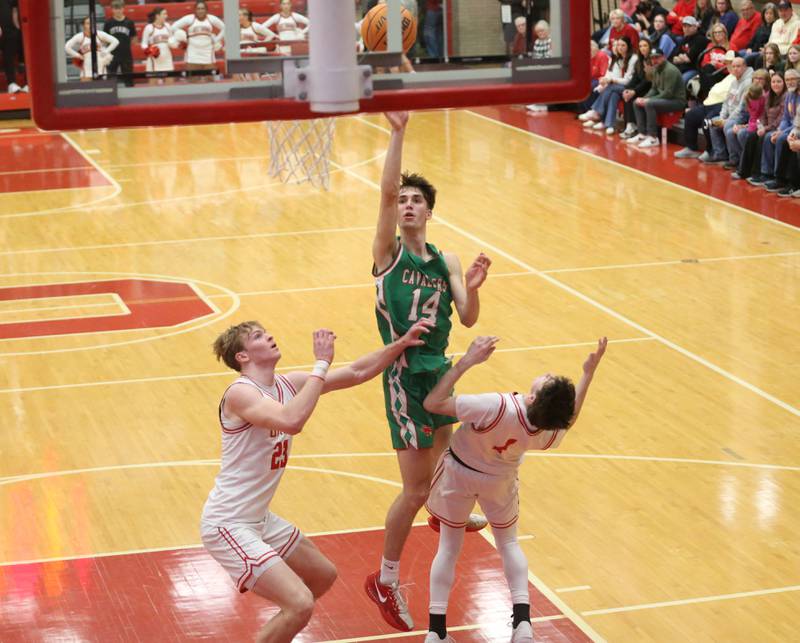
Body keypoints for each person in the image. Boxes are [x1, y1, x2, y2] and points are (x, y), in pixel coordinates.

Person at [201, 317, 434, 642]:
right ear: (242, 356)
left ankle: (275, 631)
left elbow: (356, 372)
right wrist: (321, 363)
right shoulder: (240, 393)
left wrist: (401, 344)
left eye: (266, 330)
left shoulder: (284, 384)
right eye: (257, 336)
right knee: (300, 604)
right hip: (228, 523)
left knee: (322, 576)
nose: (269, 335)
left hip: (258, 519)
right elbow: (291, 420)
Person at [364, 111, 492, 633]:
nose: (408, 205)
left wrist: (477, 284)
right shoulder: (387, 253)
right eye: (404, 200)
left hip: (440, 367)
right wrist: (397, 134)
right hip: (404, 374)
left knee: (452, 454)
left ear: (430, 212)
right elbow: (386, 192)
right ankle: (385, 578)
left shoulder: (448, 260)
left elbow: (467, 316)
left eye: (418, 201)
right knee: (415, 489)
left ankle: (443, 508)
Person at [421, 335, 608, 643]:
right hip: (499, 482)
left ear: (533, 398)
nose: (546, 375)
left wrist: (467, 361)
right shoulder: (547, 433)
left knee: (449, 547)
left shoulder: (495, 406)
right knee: (508, 544)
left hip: (458, 474)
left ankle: (436, 632)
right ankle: (522, 624)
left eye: (546, 381)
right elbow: (568, 420)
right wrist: (588, 373)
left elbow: (433, 404)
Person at [626, 48, 686, 148]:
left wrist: (649, 100)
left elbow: (668, 93)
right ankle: (642, 134)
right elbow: (654, 89)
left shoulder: (670, 70)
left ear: (663, 57)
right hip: (666, 99)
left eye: (657, 58)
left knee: (649, 103)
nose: (654, 60)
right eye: (652, 58)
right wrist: (643, 98)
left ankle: (653, 138)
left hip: (677, 101)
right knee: (636, 102)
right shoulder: (655, 69)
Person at [734, 71, 786, 180]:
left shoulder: (785, 97)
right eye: (774, 82)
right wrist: (761, 126)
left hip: (778, 128)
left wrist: (765, 128)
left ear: (784, 83)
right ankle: (745, 171)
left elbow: (781, 119)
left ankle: (764, 173)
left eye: (779, 82)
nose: (775, 84)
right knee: (752, 136)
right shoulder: (768, 96)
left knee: (765, 137)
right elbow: (762, 115)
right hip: (766, 126)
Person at [581, 37, 638, 135]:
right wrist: (606, 81)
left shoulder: (633, 58)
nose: (619, 48)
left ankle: (596, 112)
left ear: (628, 46)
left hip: (631, 87)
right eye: (618, 45)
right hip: (618, 87)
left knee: (610, 87)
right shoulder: (617, 58)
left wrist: (610, 80)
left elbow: (627, 80)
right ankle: (609, 124)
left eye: (623, 45)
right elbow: (611, 75)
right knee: (613, 95)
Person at [172, 1, 225, 79]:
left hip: (208, 53)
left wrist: (217, 39)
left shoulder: (211, 18)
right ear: (195, 10)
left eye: (202, 8)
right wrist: (184, 37)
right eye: (198, 8)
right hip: (192, 54)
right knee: (193, 80)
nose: (200, 10)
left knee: (210, 79)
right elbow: (173, 27)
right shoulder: (189, 18)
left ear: (206, 10)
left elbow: (224, 28)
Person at [65, 17, 120, 81]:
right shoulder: (80, 36)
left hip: (100, 69)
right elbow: (67, 47)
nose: (91, 25)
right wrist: (78, 55)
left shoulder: (100, 34)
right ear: (84, 25)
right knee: (86, 89)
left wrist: (106, 51)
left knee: (102, 89)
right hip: (86, 70)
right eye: (88, 23)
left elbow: (116, 41)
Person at [620, 38, 654, 139]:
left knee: (633, 96)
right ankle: (629, 124)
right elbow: (635, 78)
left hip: (650, 88)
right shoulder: (639, 61)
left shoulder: (652, 60)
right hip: (641, 87)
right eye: (640, 46)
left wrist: (634, 91)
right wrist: (627, 89)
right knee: (627, 93)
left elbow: (647, 81)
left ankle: (633, 126)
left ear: (650, 47)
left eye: (645, 45)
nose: (642, 48)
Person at [103, 0, 137, 87]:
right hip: (112, 54)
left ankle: (130, 97)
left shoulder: (129, 22)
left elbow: (134, 38)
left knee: (129, 79)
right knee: (110, 78)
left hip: (126, 54)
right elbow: (104, 39)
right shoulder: (108, 23)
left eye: (120, 8)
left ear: (123, 9)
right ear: (112, 10)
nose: (118, 11)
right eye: (115, 8)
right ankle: (110, 97)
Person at [668, 15, 707, 84]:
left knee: (680, 81)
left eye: (689, 26)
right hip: (682, 67)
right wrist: (682, 57)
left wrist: (680, 57)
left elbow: (688, 59)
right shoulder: (685, 39)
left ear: (695, 27)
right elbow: (673, 56)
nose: (686, 28)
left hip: (694, 69)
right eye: (684, 26)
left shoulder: (700, 39)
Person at [141, 7, 175, 79]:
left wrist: (173, 44)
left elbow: (172, 41)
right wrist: (149, 50)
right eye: (164, 14)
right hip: (154, 60)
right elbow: (143, 44)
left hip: (167, 59)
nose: (166, 16)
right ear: (157, 16)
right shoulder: (149, 27)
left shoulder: (168, 26)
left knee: (170, 84)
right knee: (153, 86)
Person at [0, 0, 26, 93]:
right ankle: (11, 82)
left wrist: (18, 28)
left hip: (10, 29)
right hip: (2, 29)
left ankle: (24, 83)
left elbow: (14, 11)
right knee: (8, 43)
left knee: (20, 40)